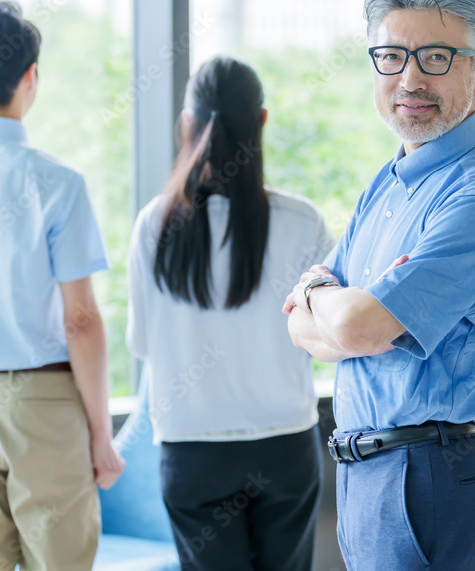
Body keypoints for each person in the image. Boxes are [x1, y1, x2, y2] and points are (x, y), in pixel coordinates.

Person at [282, 0, 475, 570]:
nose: (410, 77)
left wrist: (326, 298)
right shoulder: (387, 184)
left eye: (437, 57)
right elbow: (301, 329)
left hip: (429, 475)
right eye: (391, 56)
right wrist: (330, 300)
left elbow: (354, 329)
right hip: (365, 471)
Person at [0, 0, 124, 570]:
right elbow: (80, 320)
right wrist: (101, 436)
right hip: (43, 405)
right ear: (30, 76)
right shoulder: (58, 182)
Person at [127, 56, 331, 571]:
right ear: (260, 122)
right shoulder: (302, 221)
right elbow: (330, 335)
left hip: (192, 451)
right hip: (284, 446)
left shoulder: (154, 225)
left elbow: (142, 345)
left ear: (187, 125)